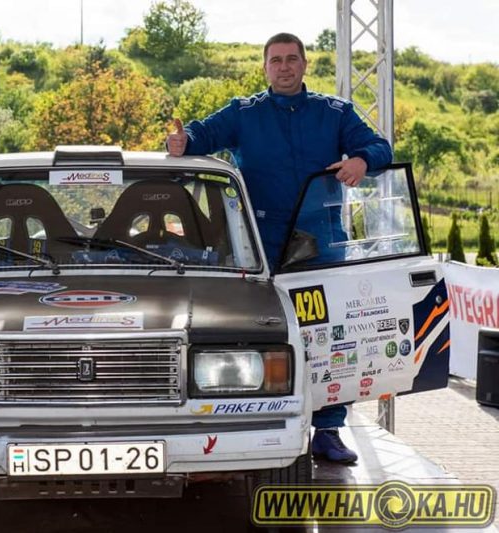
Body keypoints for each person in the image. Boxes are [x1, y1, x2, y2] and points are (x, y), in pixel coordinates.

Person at [166, 32, 392, 464]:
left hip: (322, 245)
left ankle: (328, 430)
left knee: (327, 337)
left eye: (292, 59)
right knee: (258, 333)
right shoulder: (243, 114)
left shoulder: (336, 112)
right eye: (276, 61)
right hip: (258, 247)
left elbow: (381, 147)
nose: (284, 67)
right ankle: (252, 422)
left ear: (305, 64)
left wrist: (362, 160)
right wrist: (181, 142)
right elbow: (200, 135)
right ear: (265, 67)